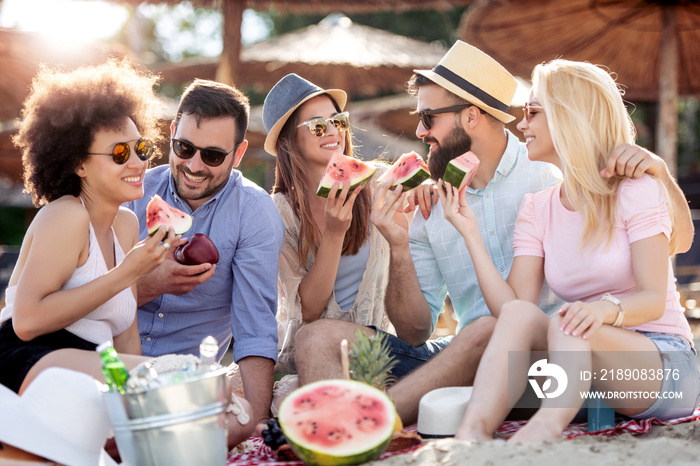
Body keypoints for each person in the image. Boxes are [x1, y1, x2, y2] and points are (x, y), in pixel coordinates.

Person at [296, 41, 695, 425]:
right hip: (469, 357)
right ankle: (322, 430)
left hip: (557, 361)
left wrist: (658, 173)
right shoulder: (431, 202)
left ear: (470, 116)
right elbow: (415, 331)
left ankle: (367, 421)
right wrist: (398, 245)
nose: (419, 132)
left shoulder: (549, 174)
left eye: (428, 118)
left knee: (489, 327)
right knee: (315, 338)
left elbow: (672, 241)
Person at [446, 59, 700, 444]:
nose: (521, 124)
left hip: (661, 369)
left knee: (568, 322)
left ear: (569, 116)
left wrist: (601, 311)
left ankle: (539, 435)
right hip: (582, 366)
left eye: (532, 112)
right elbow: (512, 309)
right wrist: (470, 233)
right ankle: (472, 434)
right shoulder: (538, 207)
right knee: (523, 315)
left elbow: (651, 299)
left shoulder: (637, 190)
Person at [0, 60, 173, 393]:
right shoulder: (66, 215)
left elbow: (126, 335)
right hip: (27, 359)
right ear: (78, 163)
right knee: (173, 383)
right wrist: (128, 273)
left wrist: (137, 402)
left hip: (92, 364)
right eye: (120, 153)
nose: (137, 162)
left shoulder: (126, 223)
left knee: (199, 394)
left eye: (141, 148)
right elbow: (26, 321)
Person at [127, 79, 283, 431]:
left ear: (238, 153)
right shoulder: (133, 191)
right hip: (109, 362)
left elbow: (255, 326)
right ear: (171, 134)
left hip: (187, 381)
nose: (195, 166)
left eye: (212, 155)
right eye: (183, 148)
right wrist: (147, 285)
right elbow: (88, 296)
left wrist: (255, 424)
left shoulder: (254, 213)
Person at [261, 74, 401, 378]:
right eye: (317, 126)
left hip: (376, 357)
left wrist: (426, 191)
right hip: (311, 363)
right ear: (289, 140)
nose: (333, 132)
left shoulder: (378, 182)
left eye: (338, 121)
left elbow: (423, 190)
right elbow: (309, 311)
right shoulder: (280, 213)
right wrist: (335, 234)